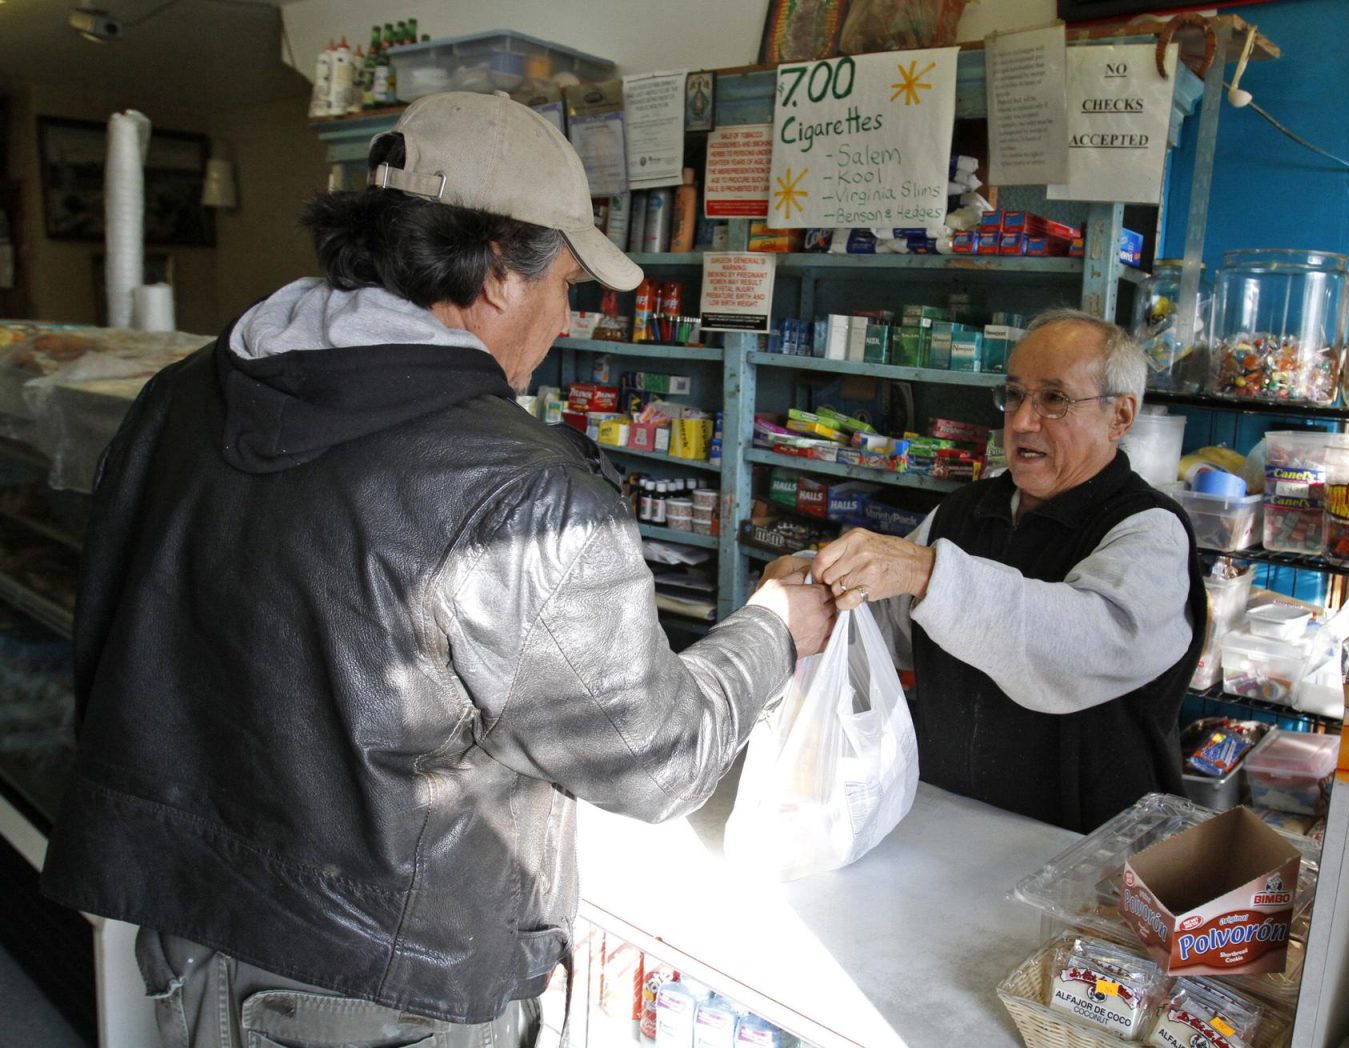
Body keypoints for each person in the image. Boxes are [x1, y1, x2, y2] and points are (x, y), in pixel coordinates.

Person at [40, 92, 834, 1048]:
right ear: (499, 270)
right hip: (379, 993)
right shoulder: (522, 493)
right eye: (568, 283)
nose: (566, 317)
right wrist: (771, 629)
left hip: (184, 936)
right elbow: (655, 762)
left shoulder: (181, 396)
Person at [765, 309, 1206, 834]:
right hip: (952, 820)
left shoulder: (1149, 530)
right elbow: (889, 629)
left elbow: (1080, 650)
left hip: (1090, 845)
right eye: (1014, 395)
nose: (1021, 421)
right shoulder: (965, 511)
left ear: (1120, 417)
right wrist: (820, 596)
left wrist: (928, 574)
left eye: (1053, 399)